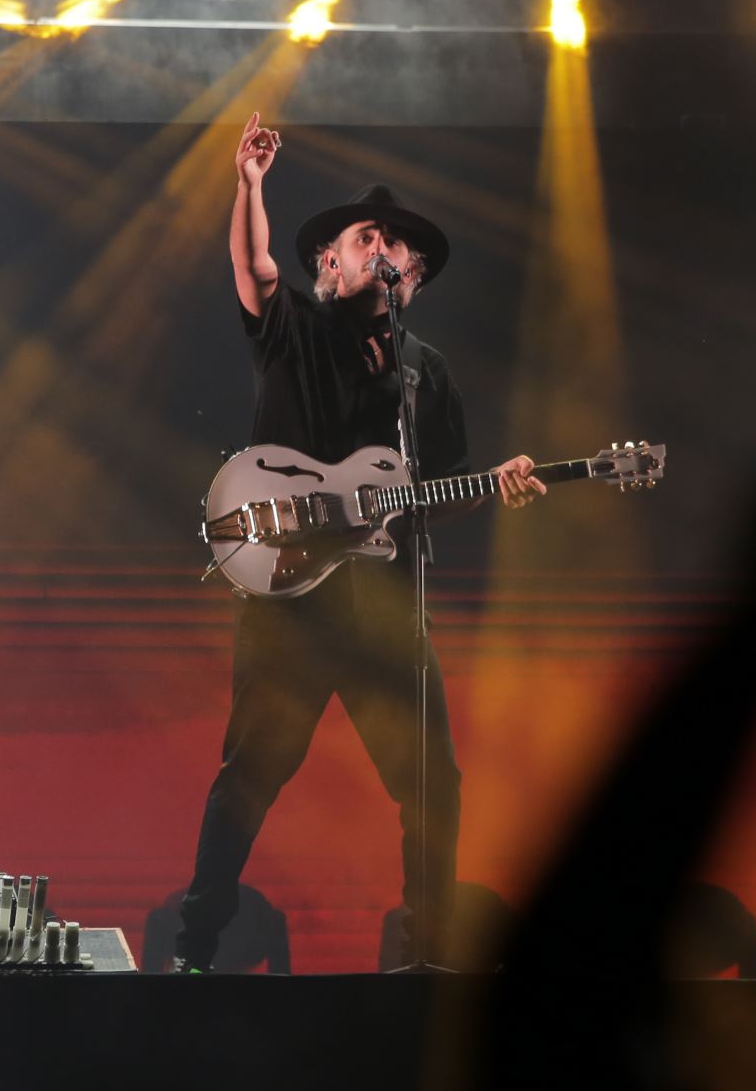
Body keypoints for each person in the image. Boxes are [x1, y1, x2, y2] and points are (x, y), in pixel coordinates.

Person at [173, 112, 547, 972]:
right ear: (330, 263)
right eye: (370, 238)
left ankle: (427, 960)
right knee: (250, 777)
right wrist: (249, 185)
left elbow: (434, 493)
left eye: (404, 250)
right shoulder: (295, 330)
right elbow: (251, 267)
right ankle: (195, 947)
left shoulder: (426, 372)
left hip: (385, 607)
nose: (392, 253)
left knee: (431, 785)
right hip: (290, 604)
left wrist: (495, 484)